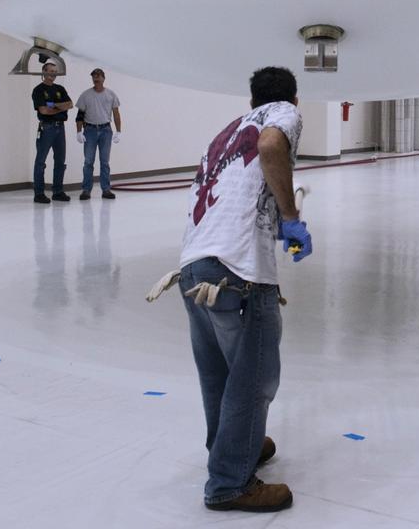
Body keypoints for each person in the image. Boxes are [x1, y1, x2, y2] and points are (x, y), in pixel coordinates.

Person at [177, 66, 313, 513]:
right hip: (239, 273)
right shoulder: (283, 118)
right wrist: (291, 215)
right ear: (292, 99)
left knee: (218, 373)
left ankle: (234, 450)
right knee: (255, 378)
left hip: (195, 266)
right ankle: (230, 483)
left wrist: (272, 222)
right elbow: (273, 146)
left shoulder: (229, 130)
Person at [75, 68, 122, 200]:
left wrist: (119, 131)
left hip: (106, 130)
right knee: (88, 161)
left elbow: (116, 113)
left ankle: (106, 189)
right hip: (90, 130)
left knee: (105, 162)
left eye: (98, 76)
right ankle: (86, 190)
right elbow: (79, 115)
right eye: (94, 76)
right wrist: (79, 131)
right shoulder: (86, 95)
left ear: (103, 78)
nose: (96, 78)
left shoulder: (111, 94)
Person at [31, 61, 73, 204]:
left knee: (60, 161)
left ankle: (58, 191)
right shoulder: (38, 90)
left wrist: (53, 105)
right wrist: (60, 106)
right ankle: (39, 193)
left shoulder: (60, 88)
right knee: (40, 162)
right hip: (46, 128)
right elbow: (43, 110)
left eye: (55, 72)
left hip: (60, 128)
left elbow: (70, 104)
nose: (53, 74)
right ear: (44, 72)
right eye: (50, 71)